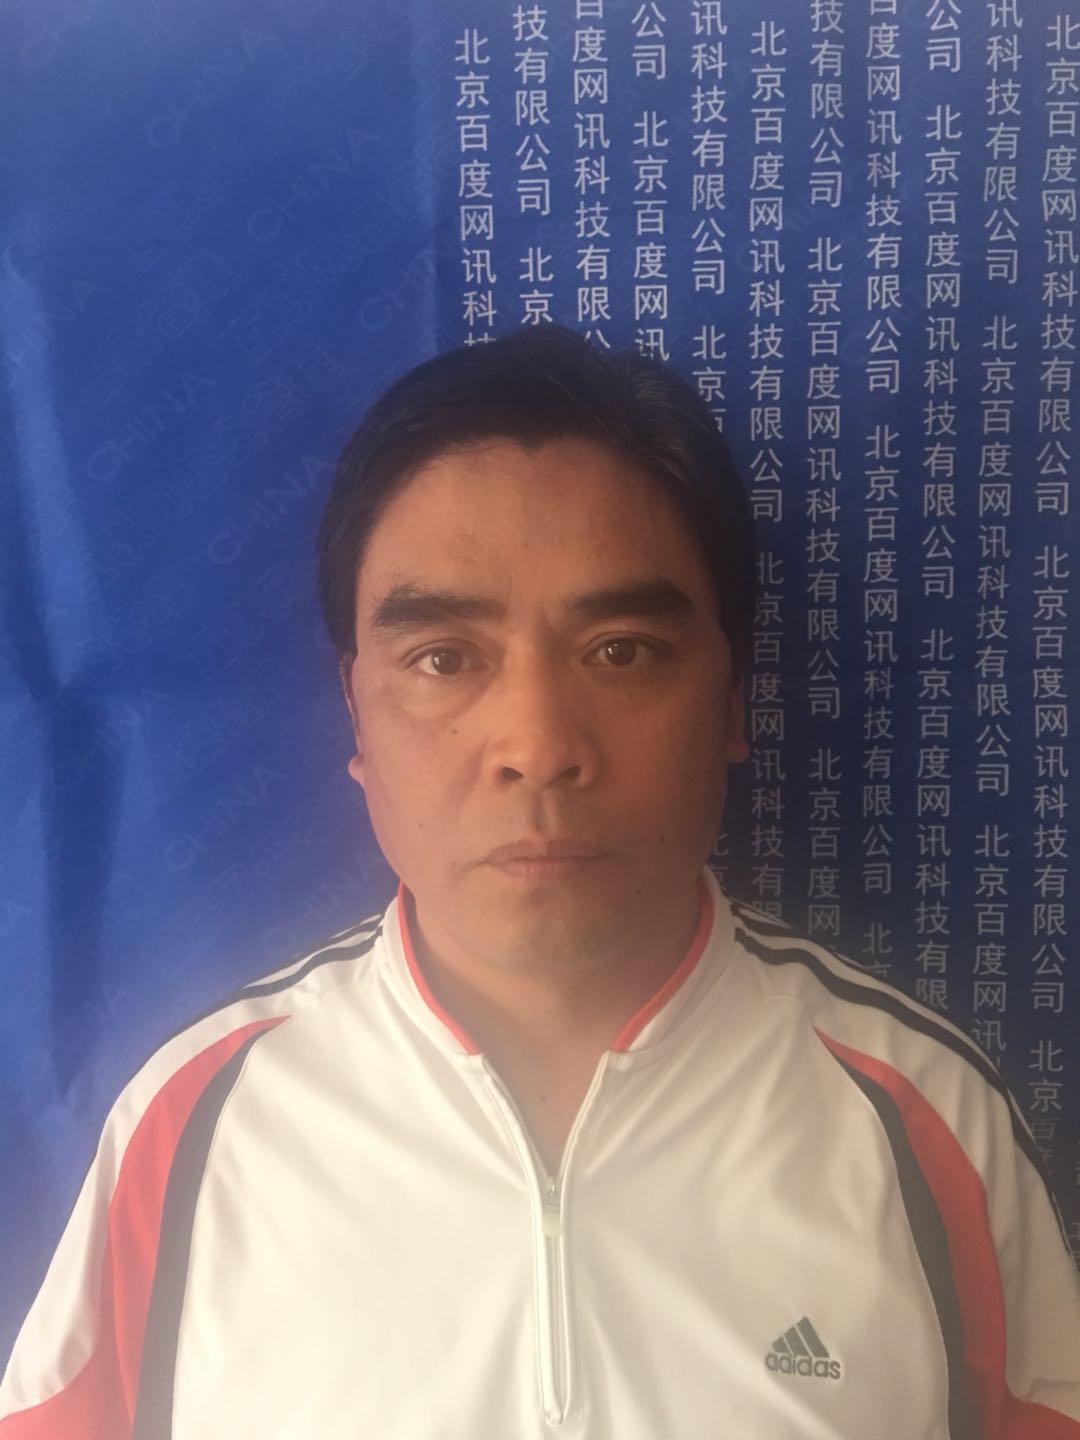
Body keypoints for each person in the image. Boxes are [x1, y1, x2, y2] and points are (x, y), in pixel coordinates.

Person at [2, 325, 1078, 1439]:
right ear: (358, 712)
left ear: (733, 699)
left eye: (622, 650)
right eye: (443, 658)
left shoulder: (921, 1117)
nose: (538, 745)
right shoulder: (193, 1127)